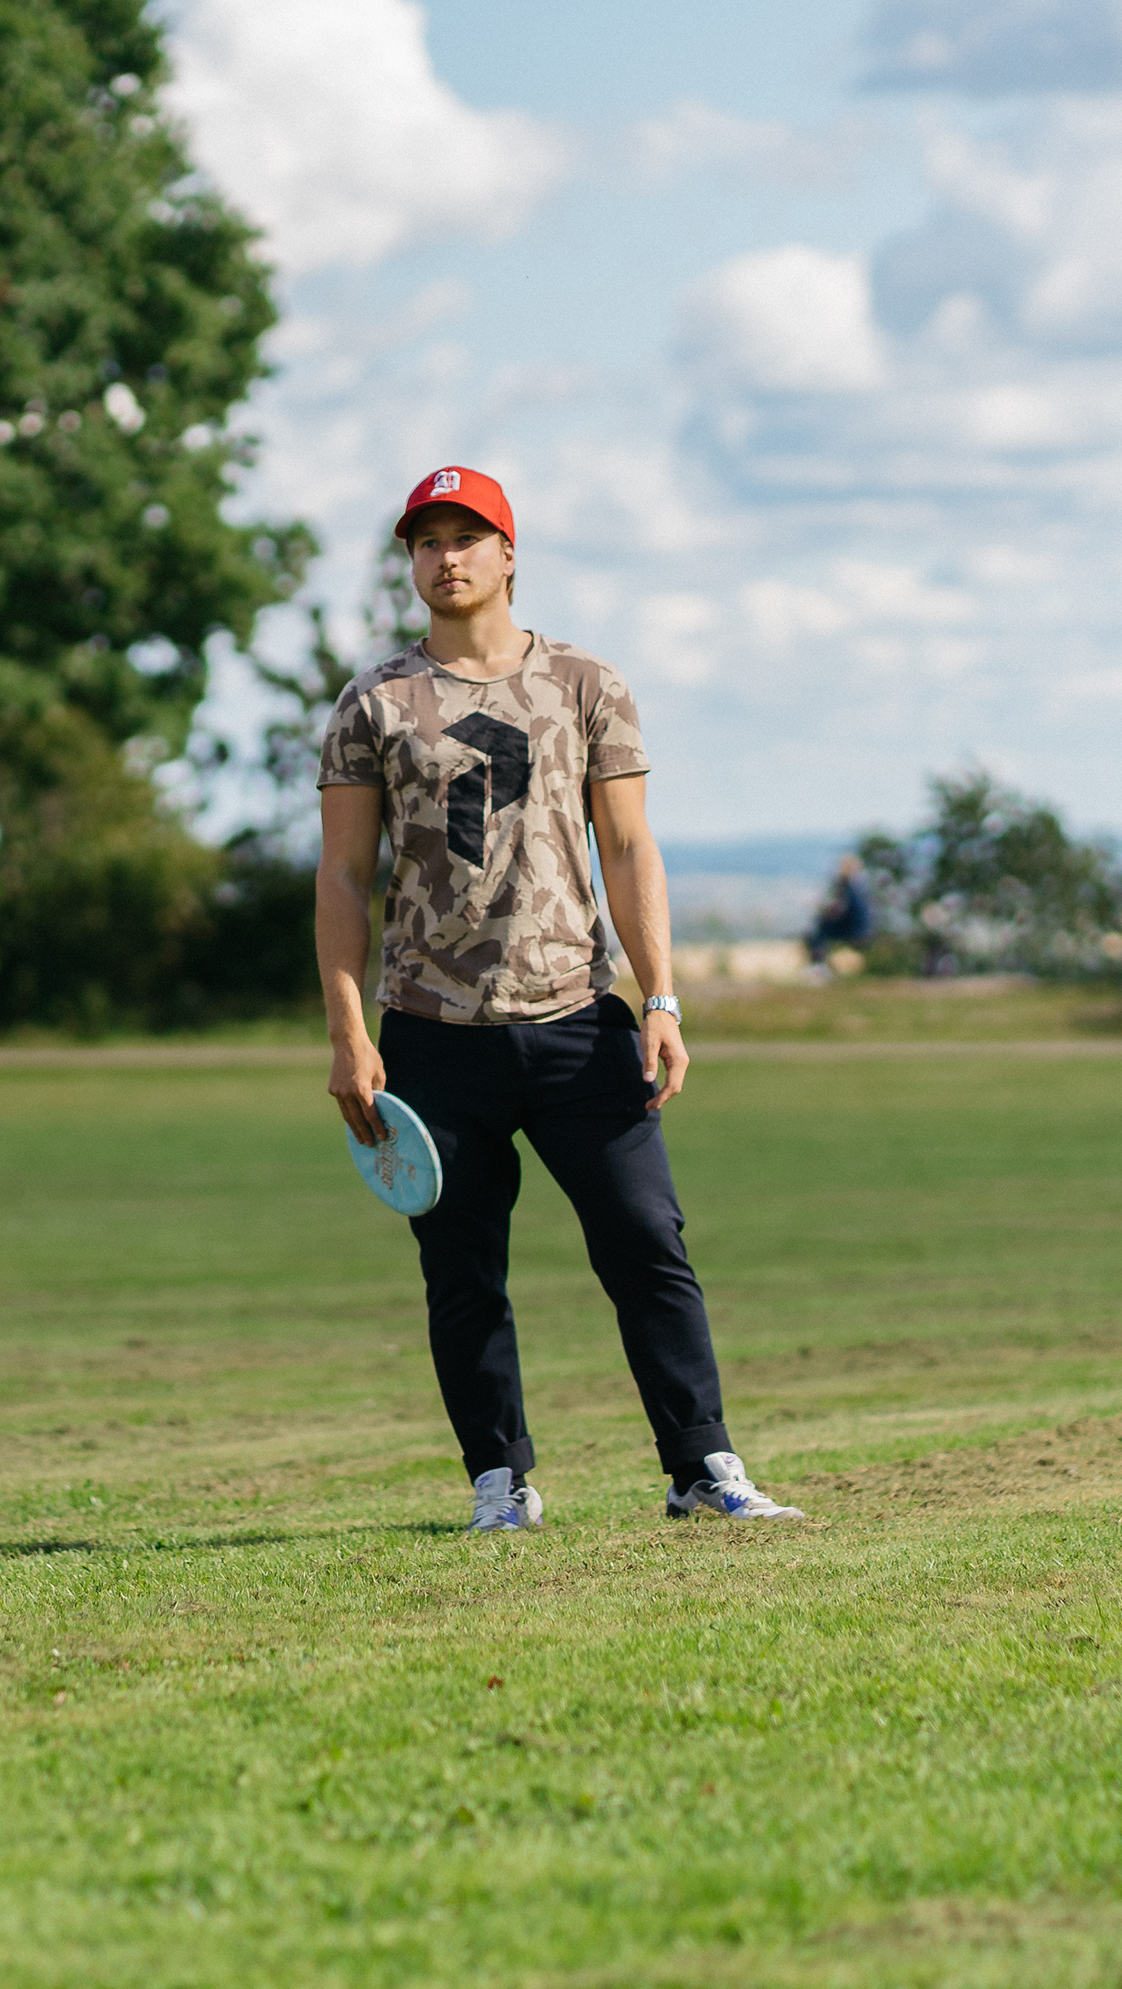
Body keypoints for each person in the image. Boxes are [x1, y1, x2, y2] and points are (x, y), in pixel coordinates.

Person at [317, 464, 805, 1531]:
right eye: (425, 540)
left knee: (647, 1244)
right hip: (431, 1037)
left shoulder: (587, 683)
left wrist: (662, 997)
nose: (444, 557)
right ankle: (499, 1481)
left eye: (465, 536)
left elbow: (628, 847)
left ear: (507, 553)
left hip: (579, 1022)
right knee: (461, 1273)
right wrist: (350, 1034)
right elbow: (344, 876)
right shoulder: (374, 703)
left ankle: (701, 1465)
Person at [806, 853, 875, 961]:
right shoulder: (860, 884)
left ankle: (818, 964)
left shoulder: (846, 885)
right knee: (821, 926)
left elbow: (842, 910)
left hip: (853, 929)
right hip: (861, 928)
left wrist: (825, 911)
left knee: (819, 929)